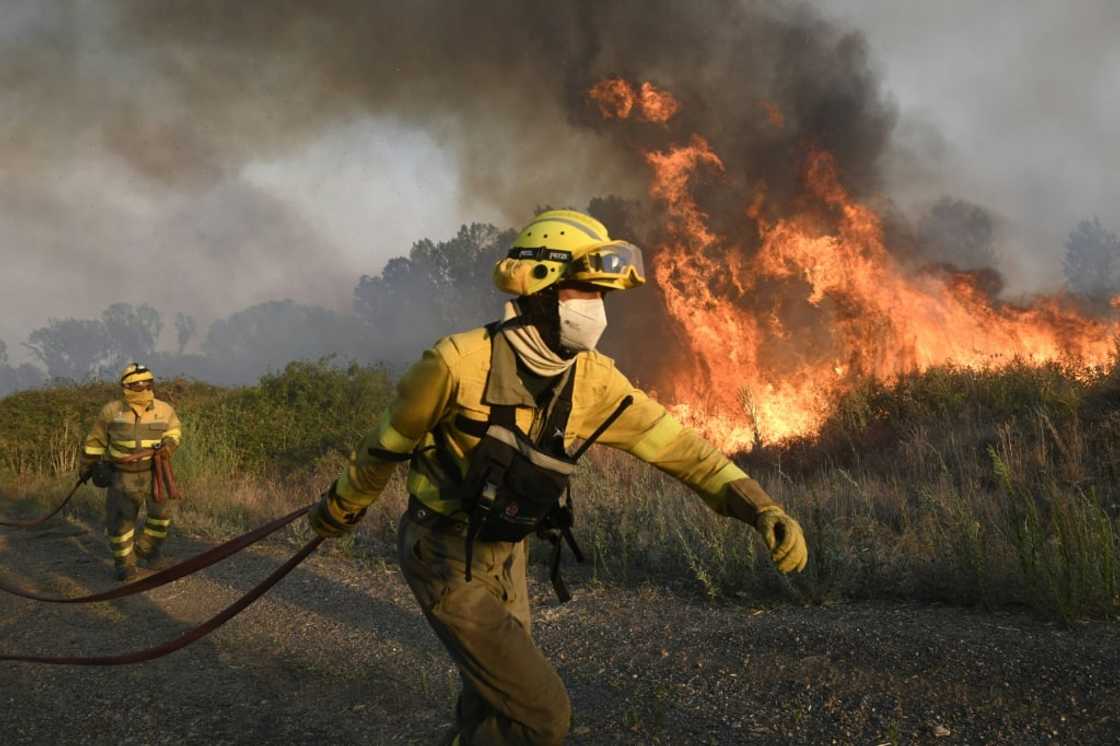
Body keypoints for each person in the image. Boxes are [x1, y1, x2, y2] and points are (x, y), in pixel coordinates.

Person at [307, 210, 808, 745]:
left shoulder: (595, 382)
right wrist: (340, 507)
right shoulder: (455, 364)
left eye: (601, 297)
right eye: (583, 292)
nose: (595, 310)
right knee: (540, 713)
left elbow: (681, 450)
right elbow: (386, 448)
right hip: (443, 555)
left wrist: (759, 507)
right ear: (541, 288)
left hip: (507, 554)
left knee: (494, 700)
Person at [80, 363, 182, 581]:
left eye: (147, 383)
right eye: (137, 384)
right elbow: (95, 441)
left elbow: (174, 430)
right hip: (122, 475)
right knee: (121, 522)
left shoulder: (164, 409)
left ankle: (148, 551)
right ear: (126, 386)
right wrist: (87, 466)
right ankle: (124, 565)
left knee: (161, 517)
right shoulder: (111, 411)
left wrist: (169, 445)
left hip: (156, 472)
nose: (143, 387)